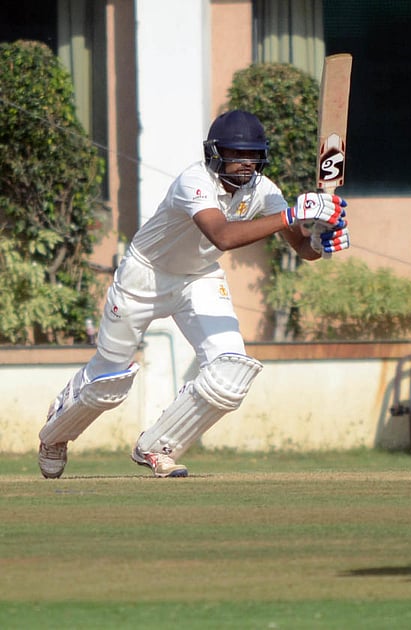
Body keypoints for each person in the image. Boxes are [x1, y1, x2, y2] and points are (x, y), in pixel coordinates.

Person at [38, 110, 350, 479]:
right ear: (216, 153)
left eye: (251, 155)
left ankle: (157, 446)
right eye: (236, 154)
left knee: (231, 372)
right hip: (145, 277)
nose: (245, 164)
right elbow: (222, 236)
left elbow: (301, 248)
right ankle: (54, 436)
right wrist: (292, 215)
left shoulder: (263, 191)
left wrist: (320, 240)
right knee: (109, 383)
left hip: (198, 278)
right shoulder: (193, 182)